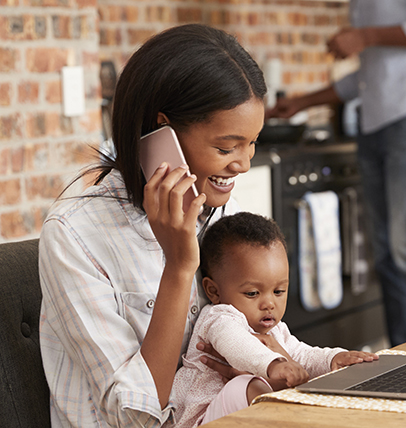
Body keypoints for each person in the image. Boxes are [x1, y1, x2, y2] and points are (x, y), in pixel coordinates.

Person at [38, 24, 267, 428]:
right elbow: (134, 417)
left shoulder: (209, 211)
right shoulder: (75, 234)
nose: (243, 163)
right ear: (163, 130)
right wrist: (179, 267)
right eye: (225, 147)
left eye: (252, 143)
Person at [267, 0, 406, 347]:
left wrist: (366, 35)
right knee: (386, 253)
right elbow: (370, 77)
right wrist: (301, 103)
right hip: (373, 126)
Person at [170, 212, 378, 427]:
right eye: (252, 293)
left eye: (278, 291)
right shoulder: (219, 317)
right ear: (213, 291)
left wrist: (334, 359)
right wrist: (274, 364)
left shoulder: (275, 330)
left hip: (243, 419)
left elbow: (301, 354)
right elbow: (235, 343)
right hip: (201, 420)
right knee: (245, 385)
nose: (269, 303)